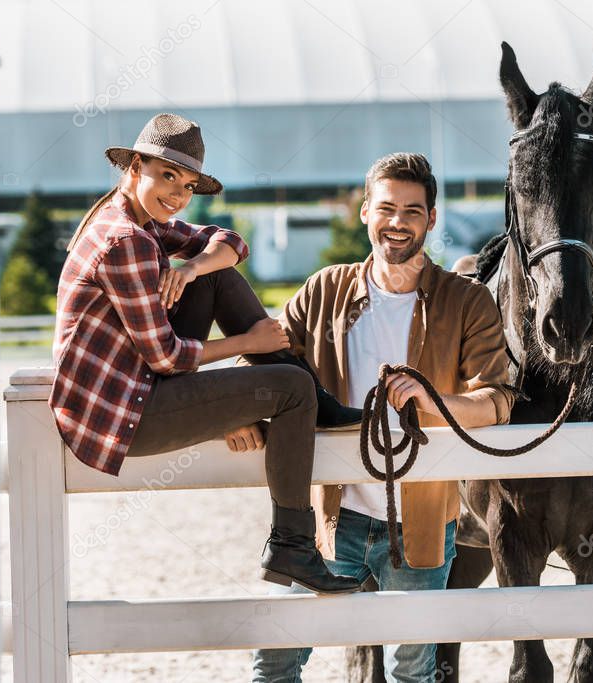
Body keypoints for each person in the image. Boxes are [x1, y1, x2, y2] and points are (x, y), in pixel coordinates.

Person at [50, 113, 361, 594]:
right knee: (291, 389)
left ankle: (314, 402)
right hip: (122, 413)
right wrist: (249, 345)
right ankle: (292, 546)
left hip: (138, 388)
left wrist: (193, 267)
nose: (177, 195)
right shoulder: (124, 241)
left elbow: (232, 243)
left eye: (188, 184)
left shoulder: (140, 219)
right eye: (167, 176)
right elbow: (167, 359)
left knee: (216, 275)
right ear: (135, 166)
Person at [250, 153, 516, 681]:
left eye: (413, 211)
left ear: (431, 219)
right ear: (365, 211)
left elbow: (498, 401)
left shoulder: (468, 302)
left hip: (421, 522)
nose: (398, 222)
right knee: (274, 660)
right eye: (387, 208)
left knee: (412, 673)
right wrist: (243, 416)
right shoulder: (324, 290)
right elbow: (261, 360)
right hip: (331, 517)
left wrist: (431, 401)